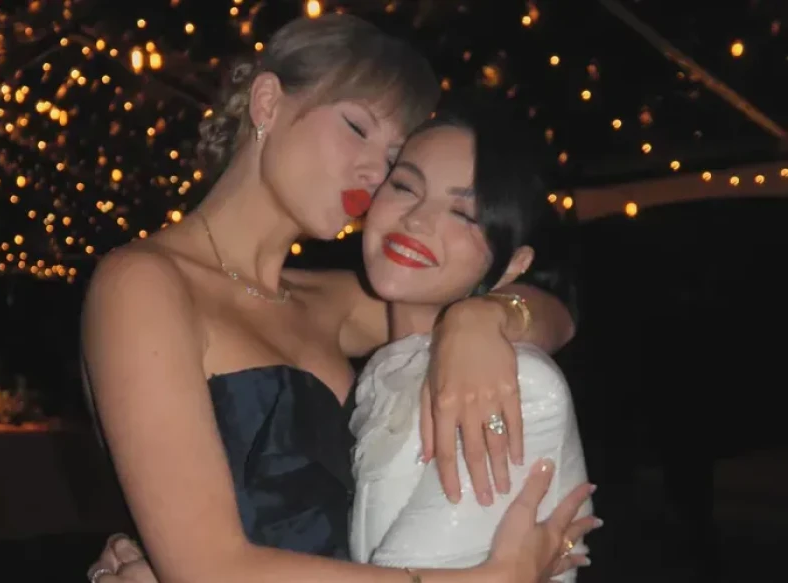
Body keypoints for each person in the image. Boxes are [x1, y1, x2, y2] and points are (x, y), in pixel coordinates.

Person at [81, 14, 589, 583]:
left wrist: (483, 317)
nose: (374, 171)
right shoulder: (143, 284)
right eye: (356, 127)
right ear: (268, 102)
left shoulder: (333, 300)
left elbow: (556, 310)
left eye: (393, 156)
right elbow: (207, 566)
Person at [349, 101, 593, 580]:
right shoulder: (381, 373)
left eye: (464, 213)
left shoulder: (517, 385)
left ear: (512, 265)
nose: (417, 220)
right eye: (405, 186)